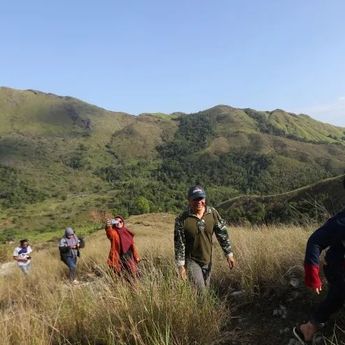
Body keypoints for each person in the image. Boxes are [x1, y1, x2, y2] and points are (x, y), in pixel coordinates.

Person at [293, 209, 345, 344]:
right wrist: (312, 275)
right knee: (339, 293)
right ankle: (309, 328)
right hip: (337, 268)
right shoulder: (341, 221)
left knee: (337, 296)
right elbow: (315, 241)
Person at [174, 185, 235, 291]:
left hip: (207, 259)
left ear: (205, 199)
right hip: (192, 260)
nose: (199, 202)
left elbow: (222, 234)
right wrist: (181, 266)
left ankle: (201, 307)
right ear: (189, 200)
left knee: (206, 290)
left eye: (201, 198)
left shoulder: (212, 213)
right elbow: (179, 243)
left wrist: (229, 254)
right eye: (195, 199)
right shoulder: (182, 219)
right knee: (201, 291)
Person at [105, 215, 140, 279]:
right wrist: (108, 226)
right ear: (114, 223)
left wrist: (136, 256)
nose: (118, 223)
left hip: (130, 255)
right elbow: (109, 234)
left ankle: (134, 286)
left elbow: (132, 245)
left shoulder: (126, 231)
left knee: (133, 272)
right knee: (122, 274)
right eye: (116, 221)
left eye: (120, 221)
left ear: (123, 222)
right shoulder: (114, 232)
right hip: (120, 256)